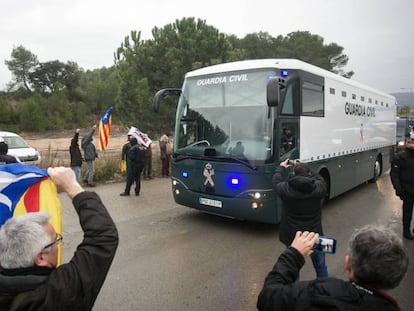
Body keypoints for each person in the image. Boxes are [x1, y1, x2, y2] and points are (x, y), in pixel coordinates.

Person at [0, 167, 119, 310]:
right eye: (56, 239)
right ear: (41, 258)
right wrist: (72, 187)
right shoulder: (60, 294)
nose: (59, 244)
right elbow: (103, 237)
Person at [257, 225, 409, 310]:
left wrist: (294, 254)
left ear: (348, 264)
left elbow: (267, 298)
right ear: (399, 277)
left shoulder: (317, 292)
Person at [272, 159, 328, 277]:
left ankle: (294, 293)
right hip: (315, 236)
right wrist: (308, 168)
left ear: (293, 174)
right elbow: (321, 180)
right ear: (308, 174)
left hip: (293, 238)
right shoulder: (318, 189)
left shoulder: (286, 189)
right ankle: (324, 291)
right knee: (320, 266)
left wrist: (281, 168)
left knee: (293, 268)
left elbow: (276, 181)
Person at [390, 134, 414, 240]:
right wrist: (399, 189)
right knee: (407, 212)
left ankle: (408, 231)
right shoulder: (400, 157)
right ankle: (406, 231)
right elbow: (394, 174)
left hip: (407, 189)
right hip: (407, 190)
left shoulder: (400, 156)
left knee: (407, 211)